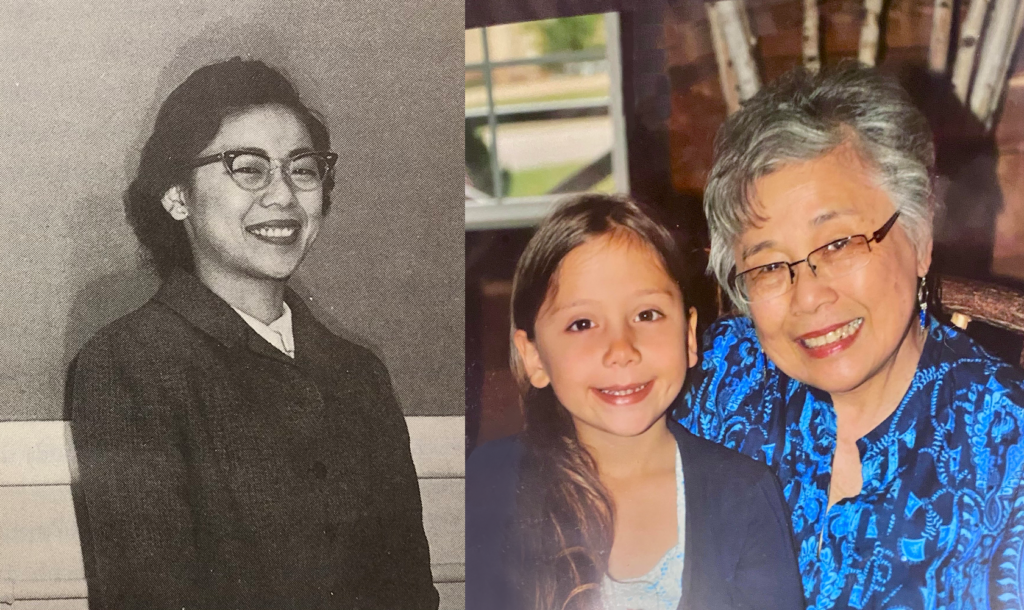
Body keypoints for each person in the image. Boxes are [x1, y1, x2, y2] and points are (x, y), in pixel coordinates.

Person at [69, 58, 438, 609]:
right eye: (248, 167)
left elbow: (409, 592)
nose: (283, 195)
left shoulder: (358, 373)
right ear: (177, 196)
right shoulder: (129, 365)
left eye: (303, 168)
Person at [678, 63, 1024, 609]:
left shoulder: (1006, 447)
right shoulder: (715, 380)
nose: (808, 295)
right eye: (768, 267)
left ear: (920, 236)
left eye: (838, 244)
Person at [467, 194, 804, 610]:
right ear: (534, 356)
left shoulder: (743, 494)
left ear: (687, 335)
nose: (621, 348)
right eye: (582, 323)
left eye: (647, 315)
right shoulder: (489, 486)